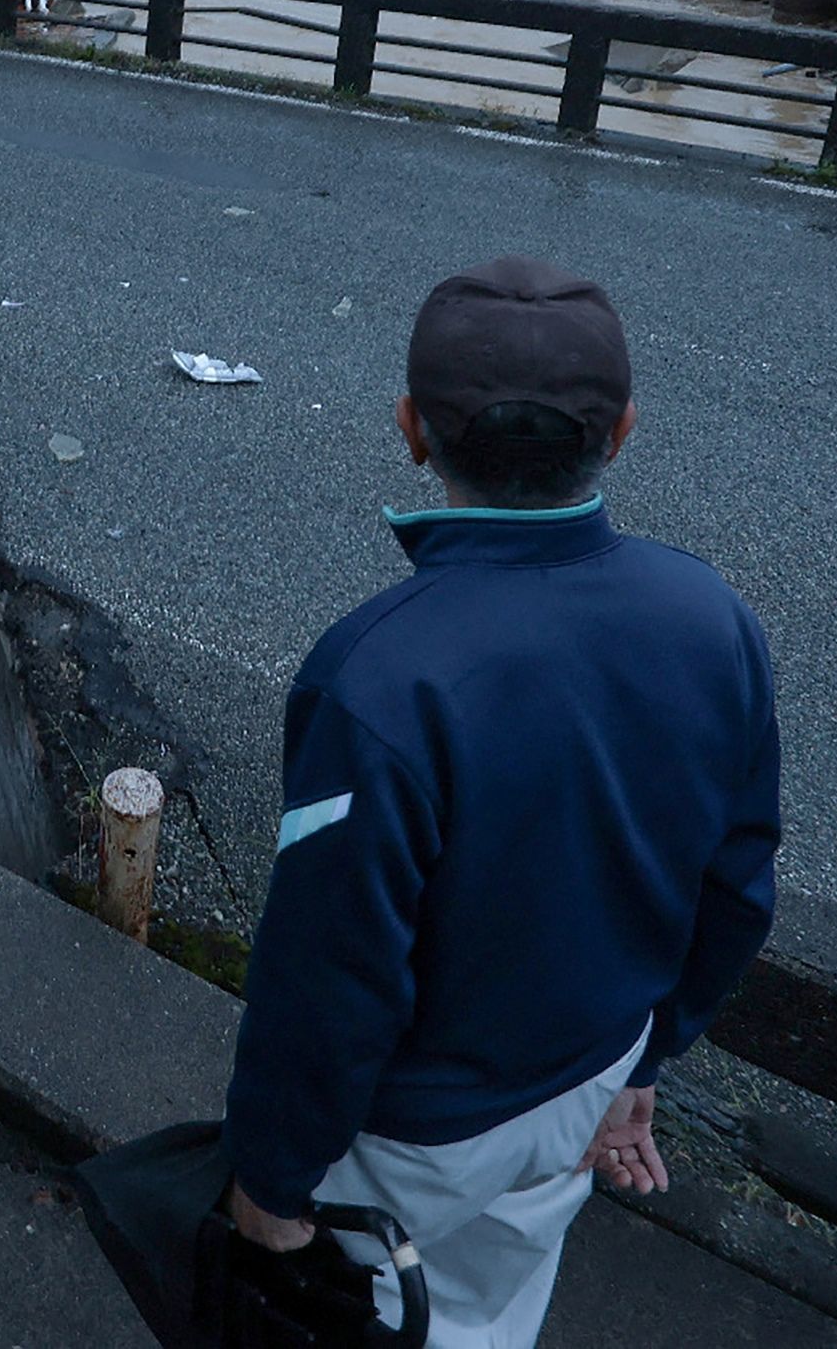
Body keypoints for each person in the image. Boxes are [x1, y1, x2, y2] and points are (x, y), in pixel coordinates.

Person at [222, 255, 781, 1346]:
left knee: (373, 1310)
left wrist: (273, 1179)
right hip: (594, 1070)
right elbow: (738, 879)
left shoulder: (378, 676)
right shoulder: (711, 619)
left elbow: (329, 973)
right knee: (495, 1303)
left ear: (411, 429)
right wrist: (648, 1058)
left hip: (422, 1126)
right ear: (621, 431)